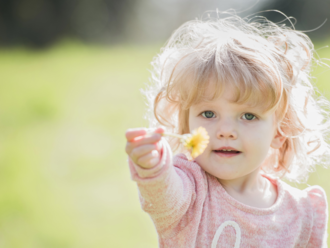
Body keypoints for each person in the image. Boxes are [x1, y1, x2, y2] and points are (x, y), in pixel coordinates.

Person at [125, 12, 330, 247]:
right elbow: (163, 195)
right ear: (186, 125)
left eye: (248, 116)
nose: (225, 131)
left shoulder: (303, 214)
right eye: (209, 114)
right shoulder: (189, 190)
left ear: (279, 132)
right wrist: (153, 167)